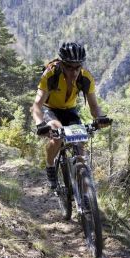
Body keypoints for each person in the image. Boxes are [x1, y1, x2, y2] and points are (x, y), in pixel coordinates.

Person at [31, 42, 111, 189]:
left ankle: (86, 196)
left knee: (80, 147)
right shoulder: (50, 74)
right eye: (69, 67)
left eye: (77, 67)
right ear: (61, 64)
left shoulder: (85, 78)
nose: (73, 71)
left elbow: (94, 106)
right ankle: (50, 166)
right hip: (51, 110)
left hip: (70, 111)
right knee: (57, 135)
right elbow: (37, 105)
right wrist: (39, 123)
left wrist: (100, 118)